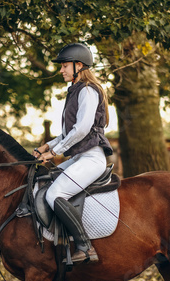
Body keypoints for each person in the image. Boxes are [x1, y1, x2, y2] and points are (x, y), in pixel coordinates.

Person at [33, 43, 113, 264]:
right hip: (79, 157)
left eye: (65, 66)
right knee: (45, 181)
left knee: (54, 194)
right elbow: (68, 133)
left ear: (79, 65)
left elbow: (82, 129)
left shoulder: (87, 90)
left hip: (91, 158)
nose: (61, 70)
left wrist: (55, 153)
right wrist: (46, 147)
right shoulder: (76, 91)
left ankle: (85, 246)